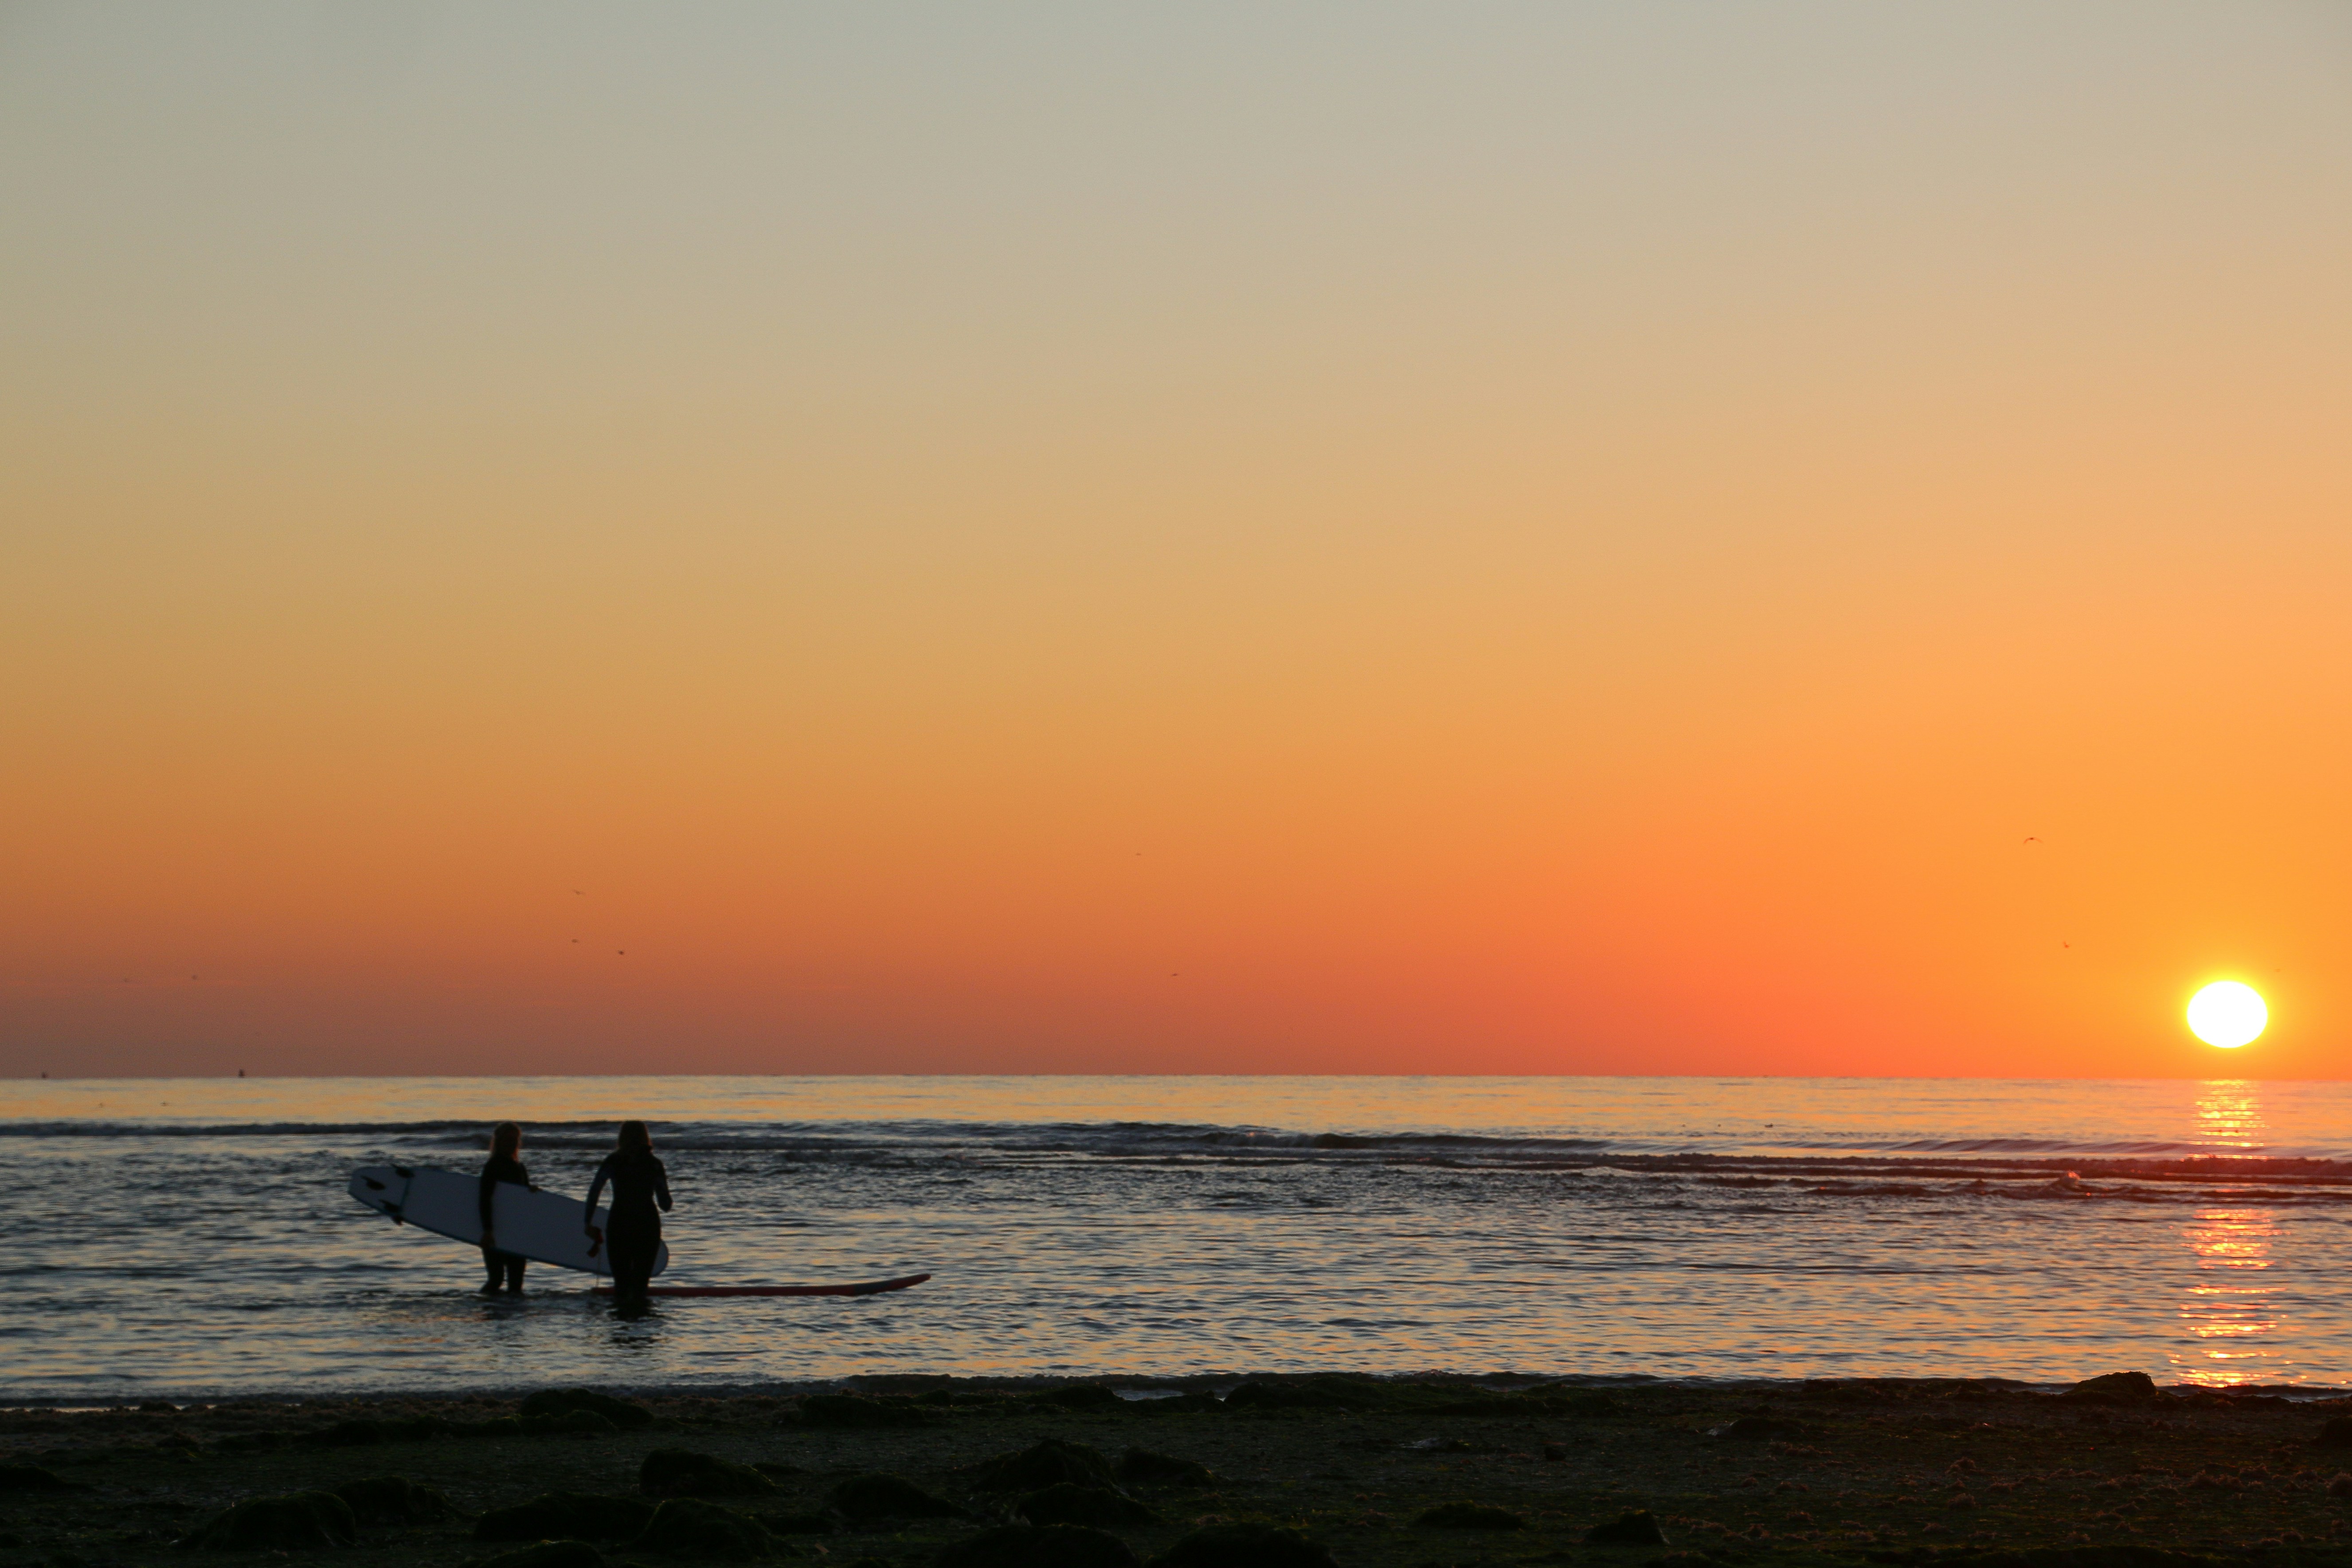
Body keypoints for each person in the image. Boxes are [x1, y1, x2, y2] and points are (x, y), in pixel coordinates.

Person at [584, 1120, 672, 1305]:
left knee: (622, 1282)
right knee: (641, 1283)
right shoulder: (654, 1164)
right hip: (647, 1223)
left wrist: (588, 1223)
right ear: (645, 1137)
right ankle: (640, 1326)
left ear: (621, 1138)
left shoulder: (613, 1161)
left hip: (620, 1221)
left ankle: (621, 1326)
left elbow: (594, 1191)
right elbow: (665, 1204)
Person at [478, 1122, 531, 1295]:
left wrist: (533, 1193)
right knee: (496, 1279)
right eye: (507, 1140)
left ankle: (512, 1320)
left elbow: (523, 1200)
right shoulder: (493, 1166)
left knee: (516, 1284)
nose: (511, 1144)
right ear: (499, 1141)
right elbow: (485, 1198)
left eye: (515, 1140)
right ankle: (488, 1312)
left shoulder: (520, 1168)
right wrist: (488, 1231)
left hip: (516, 1231)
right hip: (495, 1230)